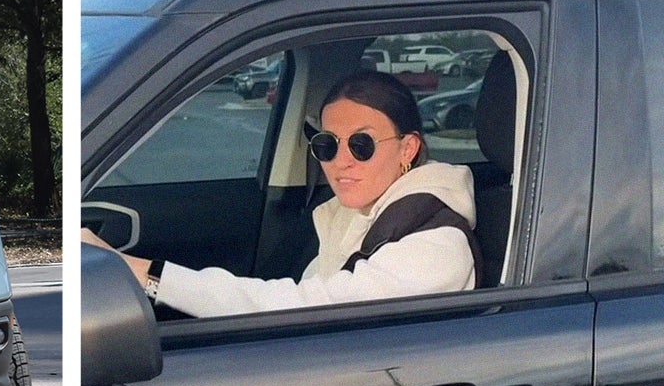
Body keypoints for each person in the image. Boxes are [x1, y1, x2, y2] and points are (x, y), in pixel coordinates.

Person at [85, 70, 476, 316]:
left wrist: (138, 271)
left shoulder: (435, 246)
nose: (341, 162)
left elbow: (299, 309)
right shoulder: (355, 218)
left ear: (407, 148)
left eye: (362, 144)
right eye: (327, 145)